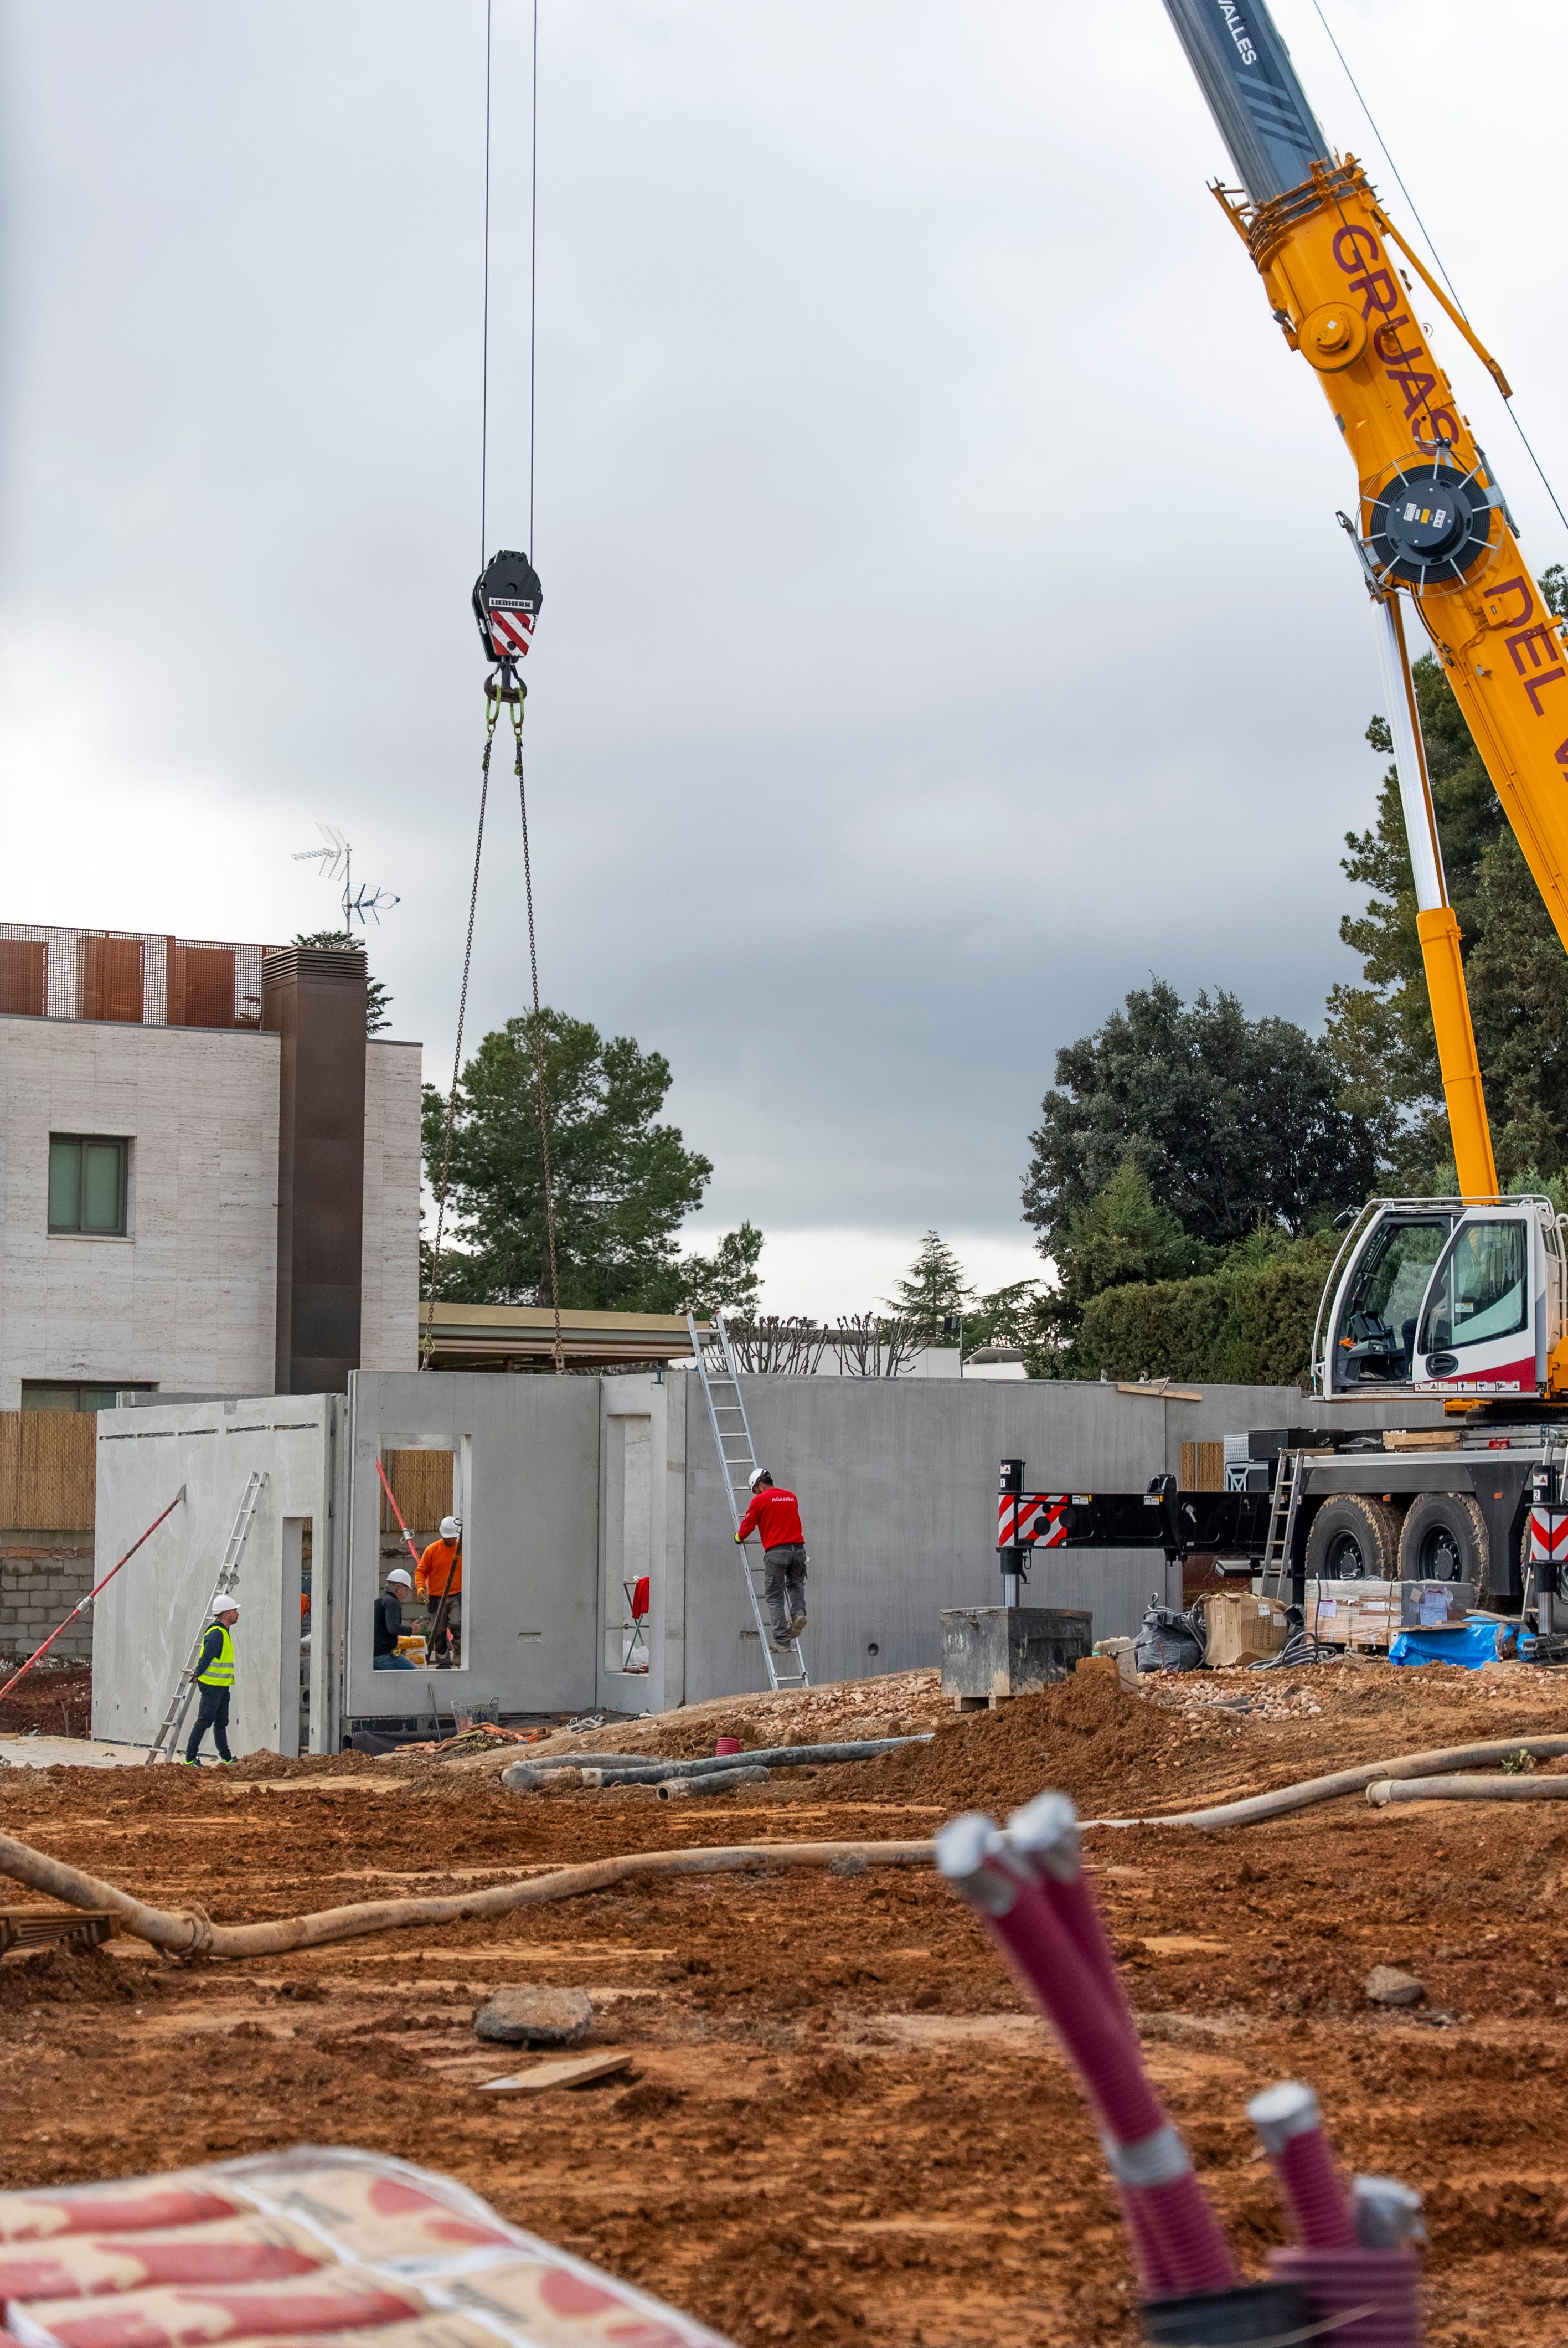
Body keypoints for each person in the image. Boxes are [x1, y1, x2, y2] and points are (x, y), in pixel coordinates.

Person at [734, 1468, 807, 1652]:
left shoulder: (760, 1500)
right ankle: (799, 1614)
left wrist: (738, 1538)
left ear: (761, 1485)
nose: (755, 1493)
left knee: (775, 1598)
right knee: (796, 1585)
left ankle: (782, 1642)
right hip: (798, 1550)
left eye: (756, 1489)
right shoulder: (791, 1496)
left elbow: (748, 1525)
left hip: (777, 1553)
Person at [184, 1603, 239, 1765]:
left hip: (221, 1685)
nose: (237, 1614)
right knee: (205, 1721)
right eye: (235, 1611)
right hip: (212, 1685)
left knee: (221, 1722)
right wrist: (197, 1674)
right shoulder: (217, 1634)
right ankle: (190, 1758)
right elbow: (206, 1657)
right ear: (226, 1614)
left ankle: (227, 1758)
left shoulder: (223, 1632)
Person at [417, 1515, 463, 1669]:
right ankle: (444, 1662)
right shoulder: (432, 1550)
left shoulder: (461, 1549)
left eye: (453, 1538)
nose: (450, 1541)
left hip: (456, 1594)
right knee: (439, 1632)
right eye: (447, 1538)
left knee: (457, 1624)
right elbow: (421, 1571)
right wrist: (420, 1587)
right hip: (436, 1597)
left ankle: (459, 1652)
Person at [374, 1567, 416, 1670]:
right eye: (406, 1590)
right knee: (415, 1675)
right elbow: (393, 1628)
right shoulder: (392, 1602)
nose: (406, 1594)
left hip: (374, 1654)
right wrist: (411, 1630)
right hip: (386, 1653)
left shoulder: (380, 1600)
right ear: (398, 1587)